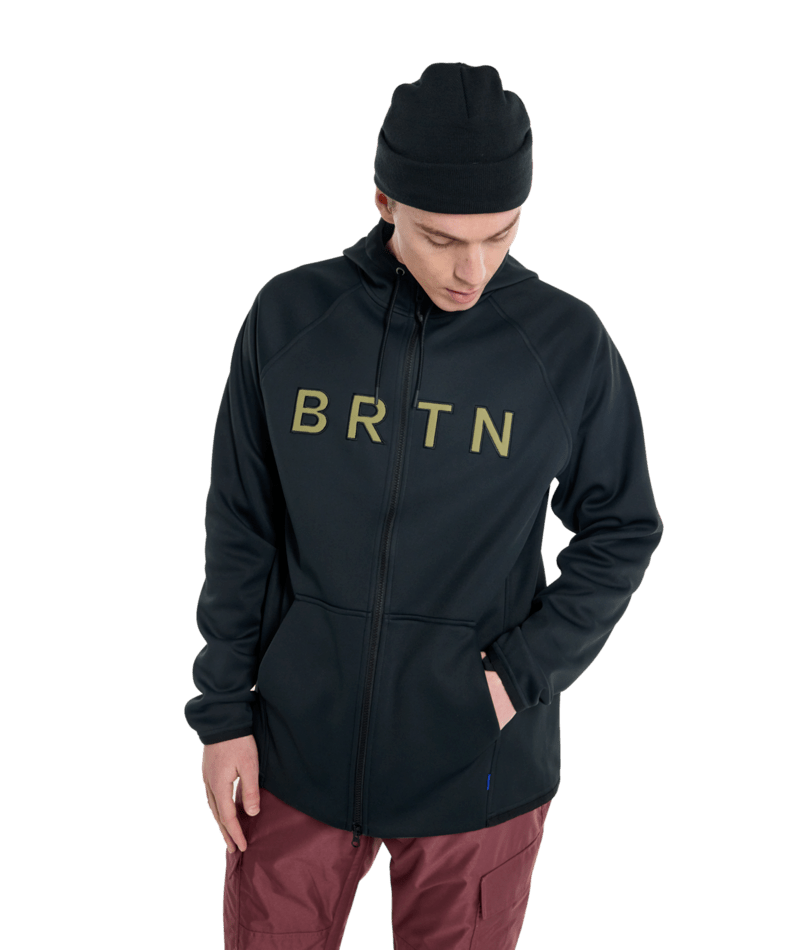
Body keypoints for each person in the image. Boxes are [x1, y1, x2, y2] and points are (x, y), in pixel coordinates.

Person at [184, 61, 664, 950]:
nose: (472, 269)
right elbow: (242, 524)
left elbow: (623, 526)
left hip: (478, 771)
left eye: (500, 234)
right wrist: (223, 717)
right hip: (294, 756)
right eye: (442, 239)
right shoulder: (291, 319)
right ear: (384, 202)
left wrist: (514, 679)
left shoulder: (564, 344)